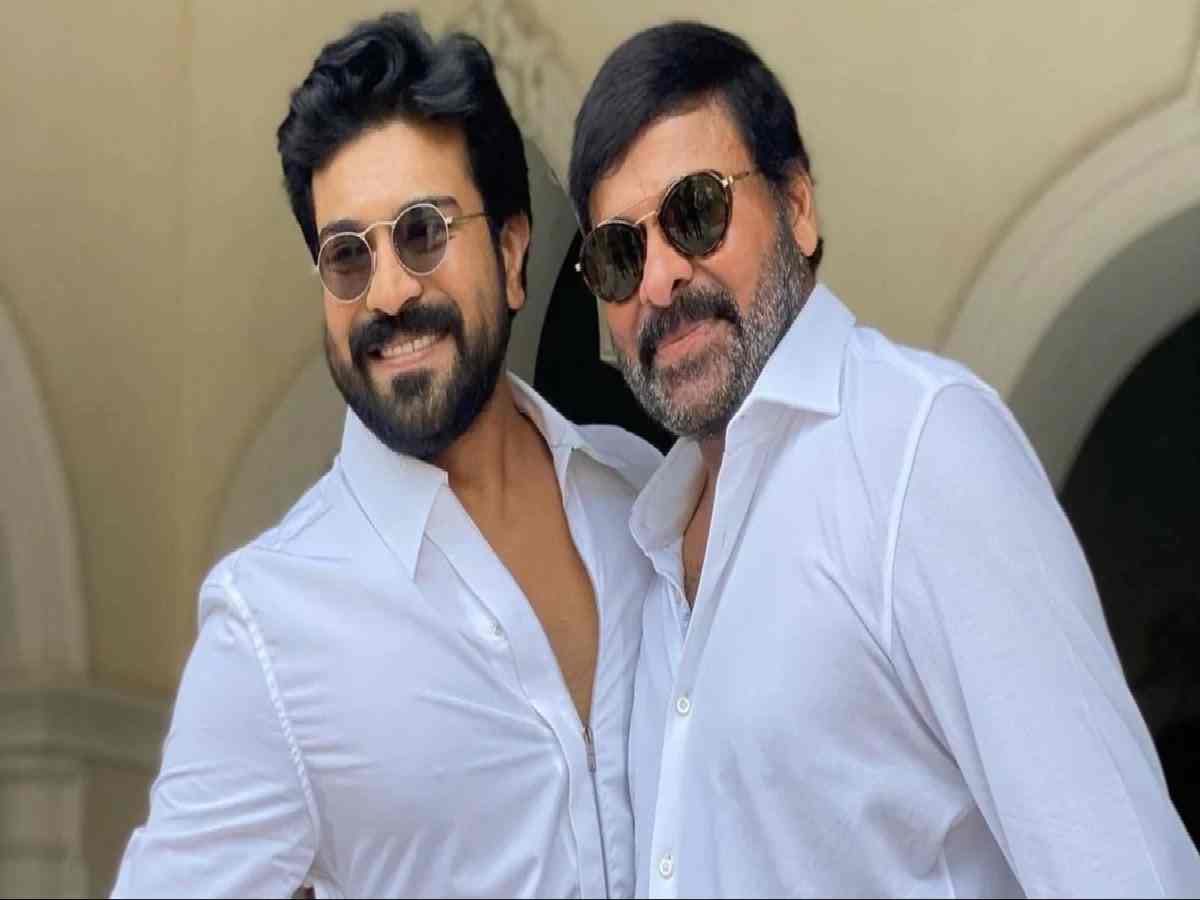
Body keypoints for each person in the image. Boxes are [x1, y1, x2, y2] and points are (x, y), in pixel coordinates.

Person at [568, 20, 1200, 898]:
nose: (660, 279)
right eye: (618, 253)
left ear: (797, 206)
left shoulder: (919, 449)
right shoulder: (649, 548)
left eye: (696, 212)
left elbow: (1121, 871)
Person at [113, 13, 658, 898]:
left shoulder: (640, 499)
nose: (390, 292)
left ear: (511, 252)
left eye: (423, 232)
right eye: (346, 256)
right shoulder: (271, 629)